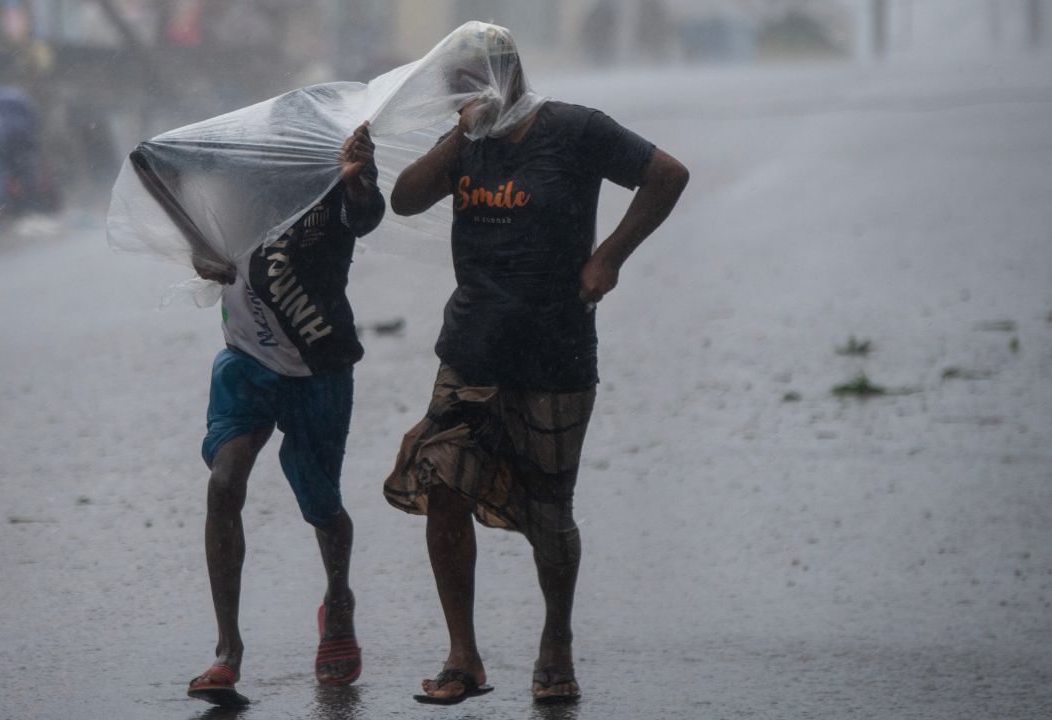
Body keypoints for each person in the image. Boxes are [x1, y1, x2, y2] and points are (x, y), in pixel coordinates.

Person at [384, 29, 689, 705]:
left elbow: (667, 174)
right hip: (471, 349)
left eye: (470, 84)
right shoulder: (469, 143)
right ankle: (463, 656)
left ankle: (556, 642)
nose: (461, 98)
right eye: (453, 89)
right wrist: (460, 136)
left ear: (506, 77)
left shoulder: (576, 130)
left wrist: (608, 257)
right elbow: (404, 200)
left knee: (549, 511)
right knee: (443, 483)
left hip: (555, 351)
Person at [186, 122, 382, 706]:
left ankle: (339, 602)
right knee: (224, 486)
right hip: (245, 361)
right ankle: (228, 651)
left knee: (323, 508)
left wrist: (358, 179)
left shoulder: (337, 185)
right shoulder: (231, 197)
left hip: (319, 367)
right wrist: (202, 256)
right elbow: (201, 243)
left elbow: (367, 215)